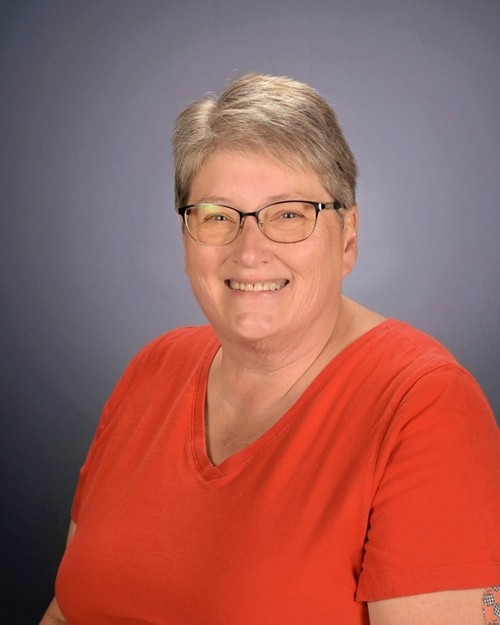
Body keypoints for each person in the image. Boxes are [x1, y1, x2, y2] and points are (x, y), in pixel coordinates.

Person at [41, 73, 500, 625]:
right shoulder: (152, 370)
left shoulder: (425, 407)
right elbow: (69, 611)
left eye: (288, 214)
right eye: (217, 216)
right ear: (186, 236)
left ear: (348, 237)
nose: (249, 251)